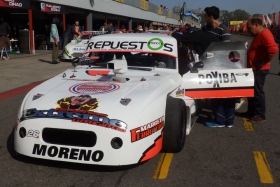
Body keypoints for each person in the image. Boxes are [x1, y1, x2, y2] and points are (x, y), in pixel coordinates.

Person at [200, 6, 234, 128]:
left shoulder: (223, 30)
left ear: (211, 17)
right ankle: (226, 120)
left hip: (221, 66)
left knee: (219, 94)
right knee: (215, 94)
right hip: (209, 65)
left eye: (205, 16)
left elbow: (225, 50)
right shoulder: (205, 28)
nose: (204, 18)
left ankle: (221, 121)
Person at [242, 17, 278, 122]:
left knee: (258, 91)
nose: (249, 30)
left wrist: (263, 62)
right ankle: (252, 111)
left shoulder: (265, 34)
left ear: (257, 25)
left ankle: (260, 114)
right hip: (254, 68)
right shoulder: (259, 35)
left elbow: (273, 49)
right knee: (252, 91)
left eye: (250, 28)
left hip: (259, 69)